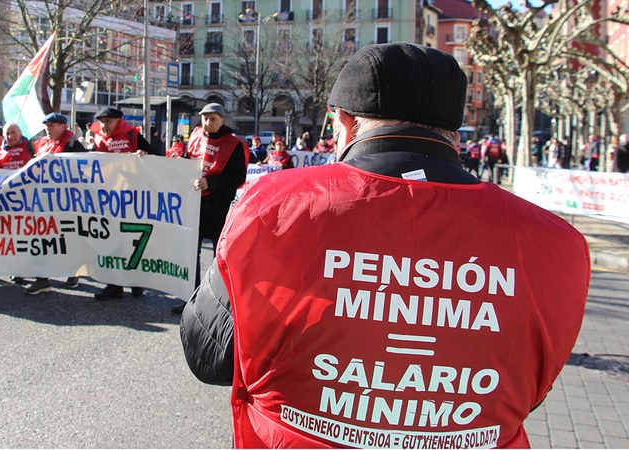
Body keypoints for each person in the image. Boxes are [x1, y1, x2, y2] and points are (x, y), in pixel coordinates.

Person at [179, 43, 590, 448]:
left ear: (342, 122)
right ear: (454, 132)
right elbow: (524, 394)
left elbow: (208, 356)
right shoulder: (557, 243)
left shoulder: (272, 207)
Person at [170, 103, 248, 314]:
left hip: (218, 207)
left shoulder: (234, 145)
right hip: (193, 204)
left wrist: (211, 183)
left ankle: (217, 302)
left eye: (213, 118)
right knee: (189, 254)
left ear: (222, 120)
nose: (208, 122)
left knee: (218, 256)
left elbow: (238, 177)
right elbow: (186, 164)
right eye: (205, 118)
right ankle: (191, 298)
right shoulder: (195, 137)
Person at [89, 107, 156, 299]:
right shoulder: (98, 139)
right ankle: (114, 285)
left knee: (131, 239)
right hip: (109, 197)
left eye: (108, 121)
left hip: (132, 196)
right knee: (111, 240)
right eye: (101, 121)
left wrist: (145, 154)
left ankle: (136, 282)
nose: (104, 125)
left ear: (119, 121)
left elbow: (156, 155)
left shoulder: (132, 135)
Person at [24, 113, 87, 295]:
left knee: (66, 238)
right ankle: (42, 279)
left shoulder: (73, 144)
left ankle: (73, 272)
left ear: (62, 126)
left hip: (65, 202)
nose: (47, 128)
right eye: (46, 125)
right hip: (44, 201)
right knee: (42, 238)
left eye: (51, 125)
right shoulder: (42, 143)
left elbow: (86, 167)